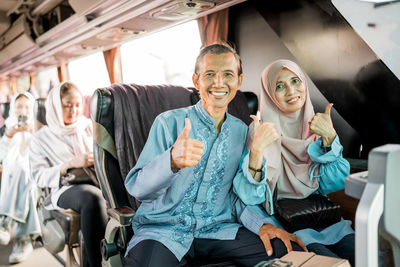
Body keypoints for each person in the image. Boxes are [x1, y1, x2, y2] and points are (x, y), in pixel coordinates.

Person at [123, 43, 307, 267]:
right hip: (163, 231)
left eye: (228, 75)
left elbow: (238, 196)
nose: (219, 83)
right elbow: (137, 189)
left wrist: (262, 224)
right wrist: (171, 161)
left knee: (290, 252)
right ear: (196, 81)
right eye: (210, 74)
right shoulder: (167, 123)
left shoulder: (243, 132)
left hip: (218, 230)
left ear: (238, 81)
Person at [233, 59, 355, 266]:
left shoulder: (320, 125)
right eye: (279, 86)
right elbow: (248, 196)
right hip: (288, 227)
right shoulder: (260, 130)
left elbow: (335, 183)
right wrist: (257, 151)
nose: (291, 90)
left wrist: (330, 138)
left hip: (327, 220)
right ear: (270, 93)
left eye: (295, 81)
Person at [29, 81, 107, 267]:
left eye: (78, 105)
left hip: (98, 179)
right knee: (92, 198)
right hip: (64, 187)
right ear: (56, 106)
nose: (73, 110)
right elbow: (38, 176)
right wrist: (70, 164)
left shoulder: (89, 126)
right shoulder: (40, 138)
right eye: (67, 105)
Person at [0, 92, 40, 264]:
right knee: (22, 177)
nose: (22, 110)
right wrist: (9, 136)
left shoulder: (40, 127)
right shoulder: (6, 128)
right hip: (11, 173)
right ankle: (23, 240)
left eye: (26, 106)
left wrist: (35, 133)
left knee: (24, 171)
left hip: (34, 170)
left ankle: (5, 221)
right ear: (13, 109)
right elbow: (1, 156)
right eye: (19, 106)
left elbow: (43, 154)